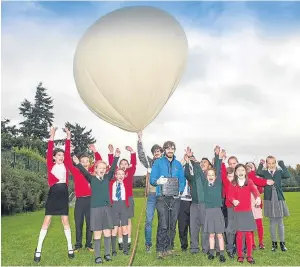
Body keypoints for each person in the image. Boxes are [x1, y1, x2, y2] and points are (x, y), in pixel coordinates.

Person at [34, 127, 74, 262]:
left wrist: (68, 135)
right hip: (53, 193)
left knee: (65, 221)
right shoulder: (50, 165)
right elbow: (50, 149)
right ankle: (38, 249)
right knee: (47, 221)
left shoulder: (66, 164)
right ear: (54, 157)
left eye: (62, 156)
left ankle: (70, 247)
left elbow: (68, 151)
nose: (61, 157)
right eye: (58, 155)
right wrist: (52, 135)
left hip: (63, 193)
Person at [73, 148, 120, 264]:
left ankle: (107, 254)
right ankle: (98, 256)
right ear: (96, 169)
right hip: (95, 209)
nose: (102, 170)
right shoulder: (91, 178)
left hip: (107, 209)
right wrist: (78, 164)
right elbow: (83, 171)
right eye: (100, 168)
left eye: (104, 168)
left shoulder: (108, 178)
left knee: (107, 232)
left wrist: (116, 157)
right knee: (98, 232)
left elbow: (113, 168)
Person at [64, 132, 102, 253]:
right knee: (78, 223)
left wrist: (95, 150)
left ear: (90, 162)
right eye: (83, 161)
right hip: (80, 201)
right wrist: (69, 146)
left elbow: (100, 161)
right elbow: (67, 162)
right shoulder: (76, 171)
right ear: (79, 162)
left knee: (90, 223)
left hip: (91, 200)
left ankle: (89, 244)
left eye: (87, 160)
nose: (85, 162)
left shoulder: (92, 171)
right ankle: (78, 244)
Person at [228, 164, 273, 264]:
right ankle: (240, 255)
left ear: (245, 172)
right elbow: (229, 195)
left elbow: (255, 190)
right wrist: (233, 200)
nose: (240, 172)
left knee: (248, 235)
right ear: (236, 172)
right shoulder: (233, 183)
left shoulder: (249, 182)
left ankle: (249, 256)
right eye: (238, 170)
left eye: (242, 170)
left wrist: (257, 198)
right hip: (238, 213)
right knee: (239, 235)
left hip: (248, 212)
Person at [150, 141, 186, 259]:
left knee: (172, 223)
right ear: (164, 150)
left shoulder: (178, 164)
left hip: (175, 198)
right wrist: (157, 182)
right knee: (163, 224)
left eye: (172, 148)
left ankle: (169, 248)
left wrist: (179, 191)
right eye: (168, 148)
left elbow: (182, 180)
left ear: (174, 150)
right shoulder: (158, 163)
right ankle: (161, 249)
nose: (170, 150)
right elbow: (152, 179)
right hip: (162, 197)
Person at [256, 156, 290, 252]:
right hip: (269, 199)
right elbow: (258, 172)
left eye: (273, 163)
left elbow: (287, 175)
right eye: (269, 163)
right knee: (272, 223)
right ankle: (274, 244)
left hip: (279, 199)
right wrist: (261, 164)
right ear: (267, 164)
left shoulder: (279, 172)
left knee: (280, 222)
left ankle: (282, 244)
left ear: (275, 163)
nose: (271, 165)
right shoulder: (265, 172)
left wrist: (282, 164)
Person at [137, 131, 163, 252]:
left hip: (163, 196)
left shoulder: (166, 163)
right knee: (148, 220)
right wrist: (140, 140)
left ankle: (162, 244)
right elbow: (142, 155)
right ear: (153, 154)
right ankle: (148, 244)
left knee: (163, 221)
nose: (157, 153)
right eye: (155, 151)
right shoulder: (149, 163)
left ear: (162, 153)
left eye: (159, 151)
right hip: (152, 195)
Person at [108, 144, 137, 251]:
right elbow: (112, 165)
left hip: (127, 200)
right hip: (117, 202)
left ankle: (128, 240)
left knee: (127, 221)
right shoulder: (117, 175)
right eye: (122, 163)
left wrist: (132, 152)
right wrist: (111, 153)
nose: (124, 165)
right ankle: (120, 241)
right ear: (119, 166)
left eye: (126, 164)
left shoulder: (129, 174)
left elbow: (134, 164)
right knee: (118, 222)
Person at [109, 168, 130, 256]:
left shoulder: (126, 183)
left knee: (124, 227)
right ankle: (114, 250)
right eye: (119, 174)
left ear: (125, 175)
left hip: (123, 205)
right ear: (115, 175)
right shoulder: (111, 184)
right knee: (115, 228)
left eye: (122, 174)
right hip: (114, 205)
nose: (121, 176)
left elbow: (132, 169)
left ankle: (125, 249)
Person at [178, 156, 192, 252]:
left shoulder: (194, 172)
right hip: (182, 201)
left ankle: (193, 245)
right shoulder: (179, 171)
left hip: (193, 201)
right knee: (182, 226)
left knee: (193, 226)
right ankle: (184, 246)